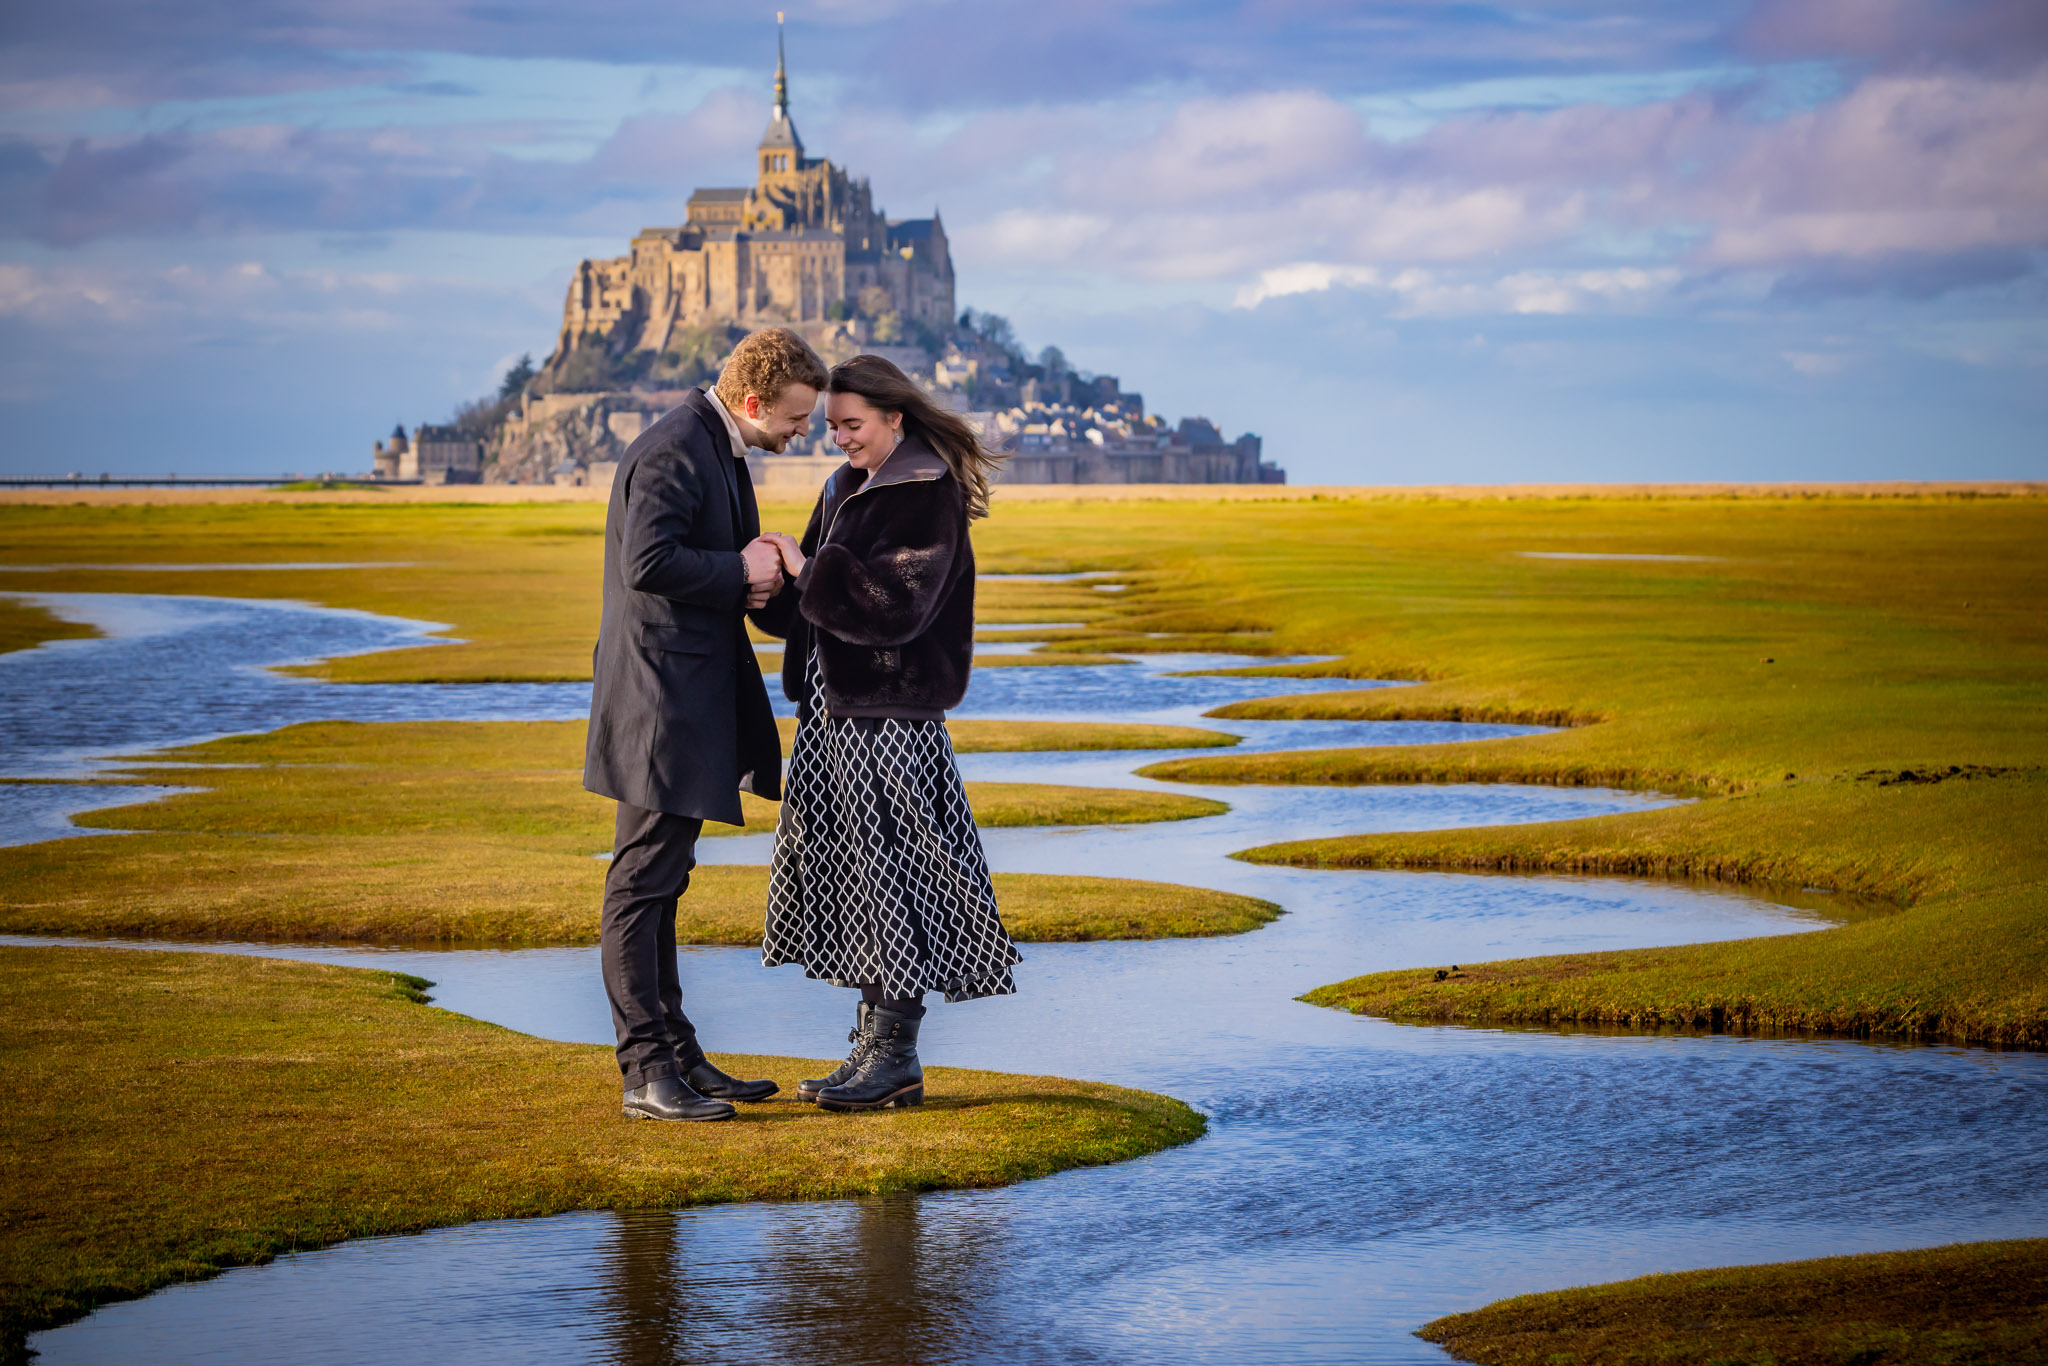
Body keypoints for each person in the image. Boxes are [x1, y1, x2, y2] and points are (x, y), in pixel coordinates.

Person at [752, 353, 1019, 1113]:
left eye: (852, 425)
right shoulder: (847, 485)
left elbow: (895, 610)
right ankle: (873, 1051)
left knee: (893, 882)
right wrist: (767, 571)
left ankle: (894, 1056)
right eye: (831, 426)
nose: (838, 439)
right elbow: (808, 600)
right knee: (858, 884)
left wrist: (808, 568)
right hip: (832, 715)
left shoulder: (925, 491)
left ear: (895, 418)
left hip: (889, 719)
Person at [583, 327, 829, 1122]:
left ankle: (679, 1057)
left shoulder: (718, 447)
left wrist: (767, 581)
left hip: (686, 696)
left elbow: (702, 568)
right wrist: (741, 572)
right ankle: (646, 1075)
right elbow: (646, 565)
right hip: (659, 703)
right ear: (754, 402)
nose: (804, 432)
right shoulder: (673, 448)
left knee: (665, 879)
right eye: (796, 417)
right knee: (640, 884)